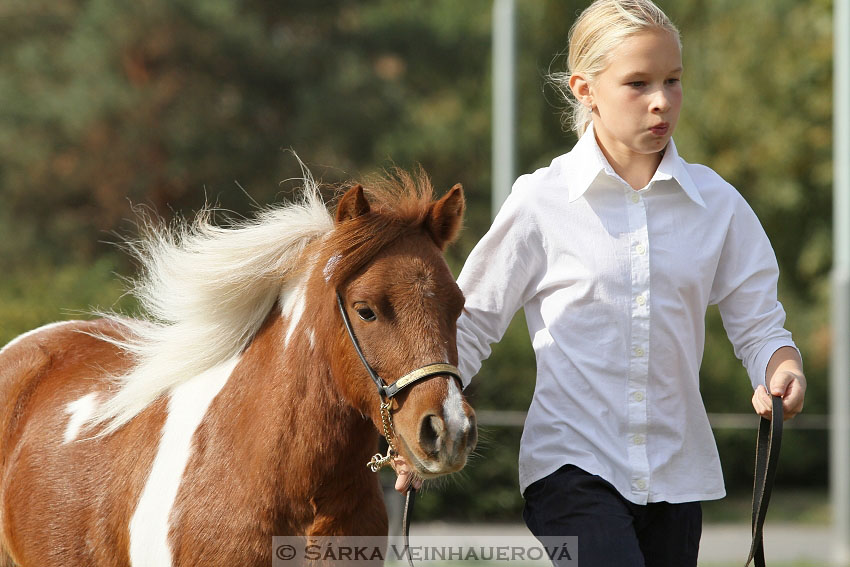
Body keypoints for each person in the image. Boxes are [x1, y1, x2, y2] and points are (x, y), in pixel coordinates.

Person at [394, 0, 807, 565]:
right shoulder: (540, 202)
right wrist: (420, 429)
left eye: (673, 80)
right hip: (570, 469)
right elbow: (469, 327)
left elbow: (760, 326)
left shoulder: (720, 206)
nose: (662, 100)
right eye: (637, 83)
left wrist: (782, 371)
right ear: (584, 89)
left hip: (676, 479)